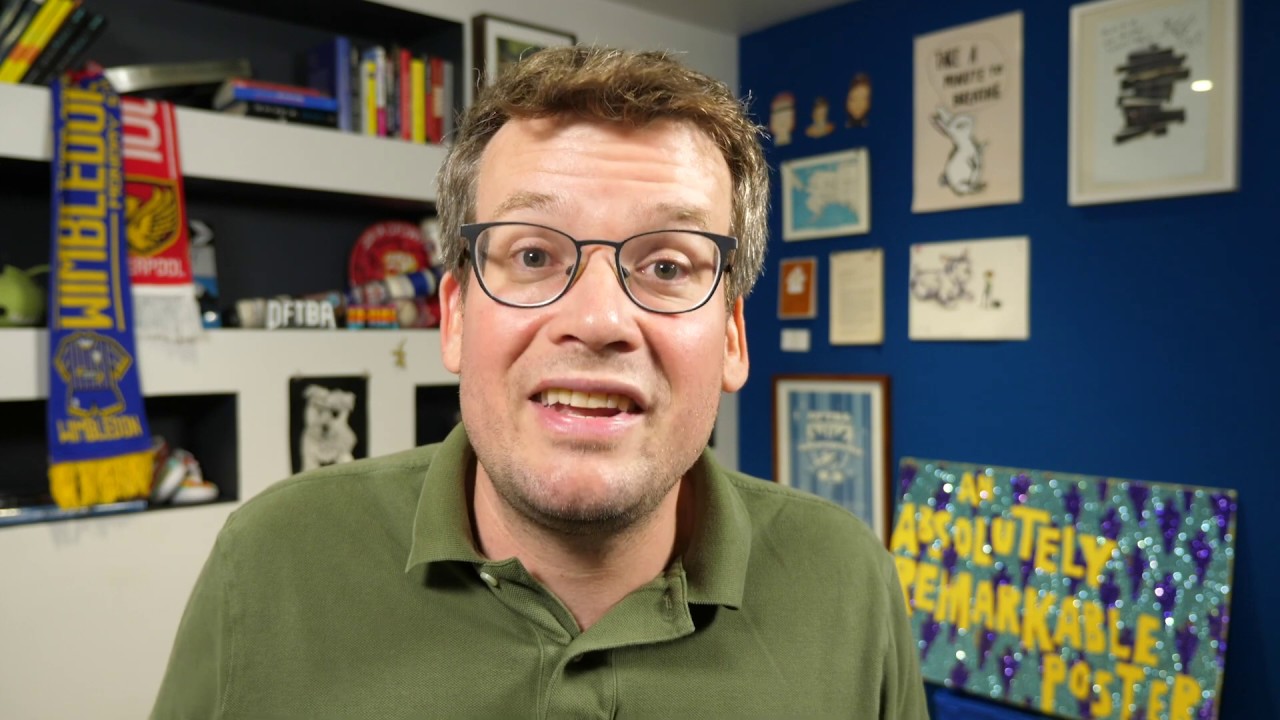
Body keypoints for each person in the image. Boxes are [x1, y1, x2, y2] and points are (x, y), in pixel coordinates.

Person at [151, 46, 929, 719]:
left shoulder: (849, 582)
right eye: (532, 256)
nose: (598, 320)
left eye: (667, 266)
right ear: (455, 318)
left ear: (731, 337)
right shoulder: (270, 563)